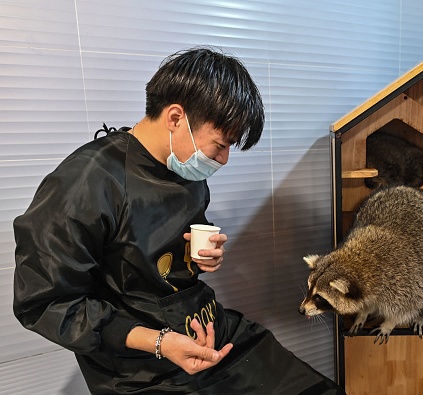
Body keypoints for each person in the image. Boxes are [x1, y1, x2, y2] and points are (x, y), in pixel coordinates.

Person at [13, 47, 345, 395]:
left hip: (207, 330)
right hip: (139, 366)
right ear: (175, 117)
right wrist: (160, 343)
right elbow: (44, 302)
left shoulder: (183, 167)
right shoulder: (86, 182)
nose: (224, 159)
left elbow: (166, 264)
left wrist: (202, 259)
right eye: (220, 145)